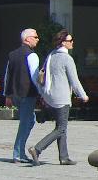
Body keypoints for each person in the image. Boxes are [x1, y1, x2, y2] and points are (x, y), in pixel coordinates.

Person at [28, 30, 89, 166]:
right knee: (61, 128)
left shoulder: (51, 55)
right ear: (63, 43)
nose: (72, 42)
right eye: (70, 40)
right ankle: (37, 149)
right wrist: (83, 95)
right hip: (61, 97)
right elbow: (74, 80)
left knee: (61, 127)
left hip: (49, 96)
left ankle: (64, 157)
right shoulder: (67, 58)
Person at [2, 27, 40, 164]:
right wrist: (42, 93)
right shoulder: (32, 55)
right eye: (35, 37)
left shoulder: (12, 55)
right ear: (27, 39)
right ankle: (18, 153)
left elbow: (7, 75)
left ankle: (19, 152)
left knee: (29, 120)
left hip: (15, 94)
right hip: (27, 94)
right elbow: (35, 77)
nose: (37, 39)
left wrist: (7, 94)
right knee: (25, 123)